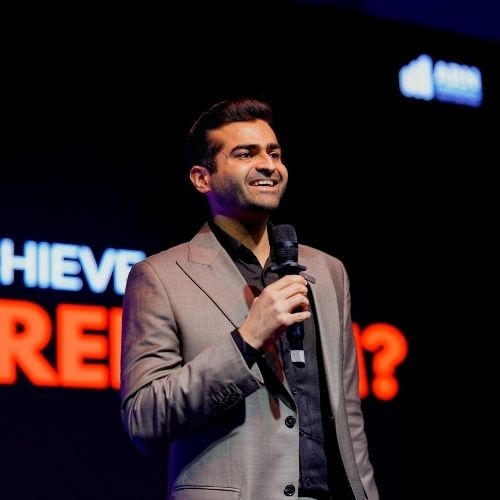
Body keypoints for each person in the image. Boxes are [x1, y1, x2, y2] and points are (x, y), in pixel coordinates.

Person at [120, 97, 379, 500]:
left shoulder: (327, 271)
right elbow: (145, 419)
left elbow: (349, 418)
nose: (268, 165)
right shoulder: (159, 276)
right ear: (202, 178)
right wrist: (247, 341)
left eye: (274, 153)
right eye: (246, 154)